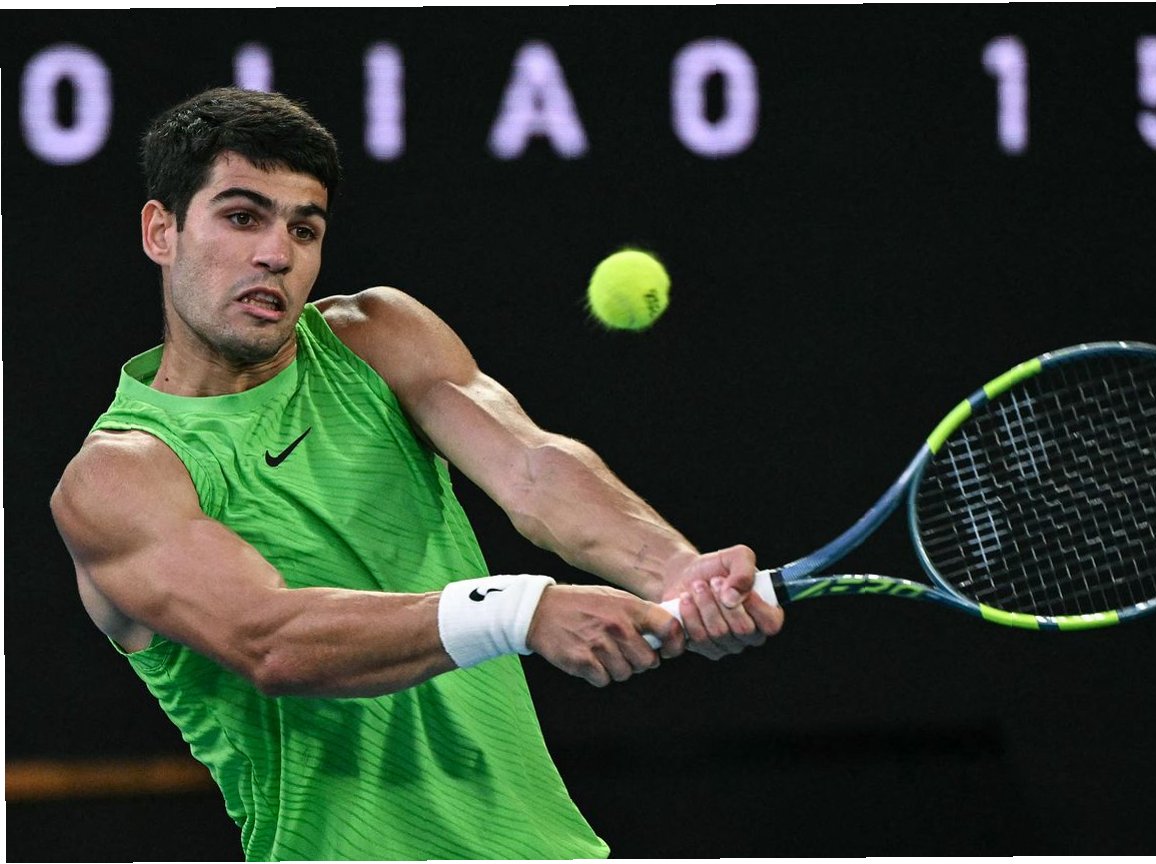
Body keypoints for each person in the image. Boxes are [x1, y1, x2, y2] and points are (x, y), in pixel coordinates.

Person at [49, 86, 784, 860]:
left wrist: (676, 571)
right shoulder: (120, 478)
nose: (277, 254)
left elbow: (532, 468)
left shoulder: (377, 338)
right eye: (242, 217)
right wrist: (517, 612)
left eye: (305, 228)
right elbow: (271, 641)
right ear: (160, 231)